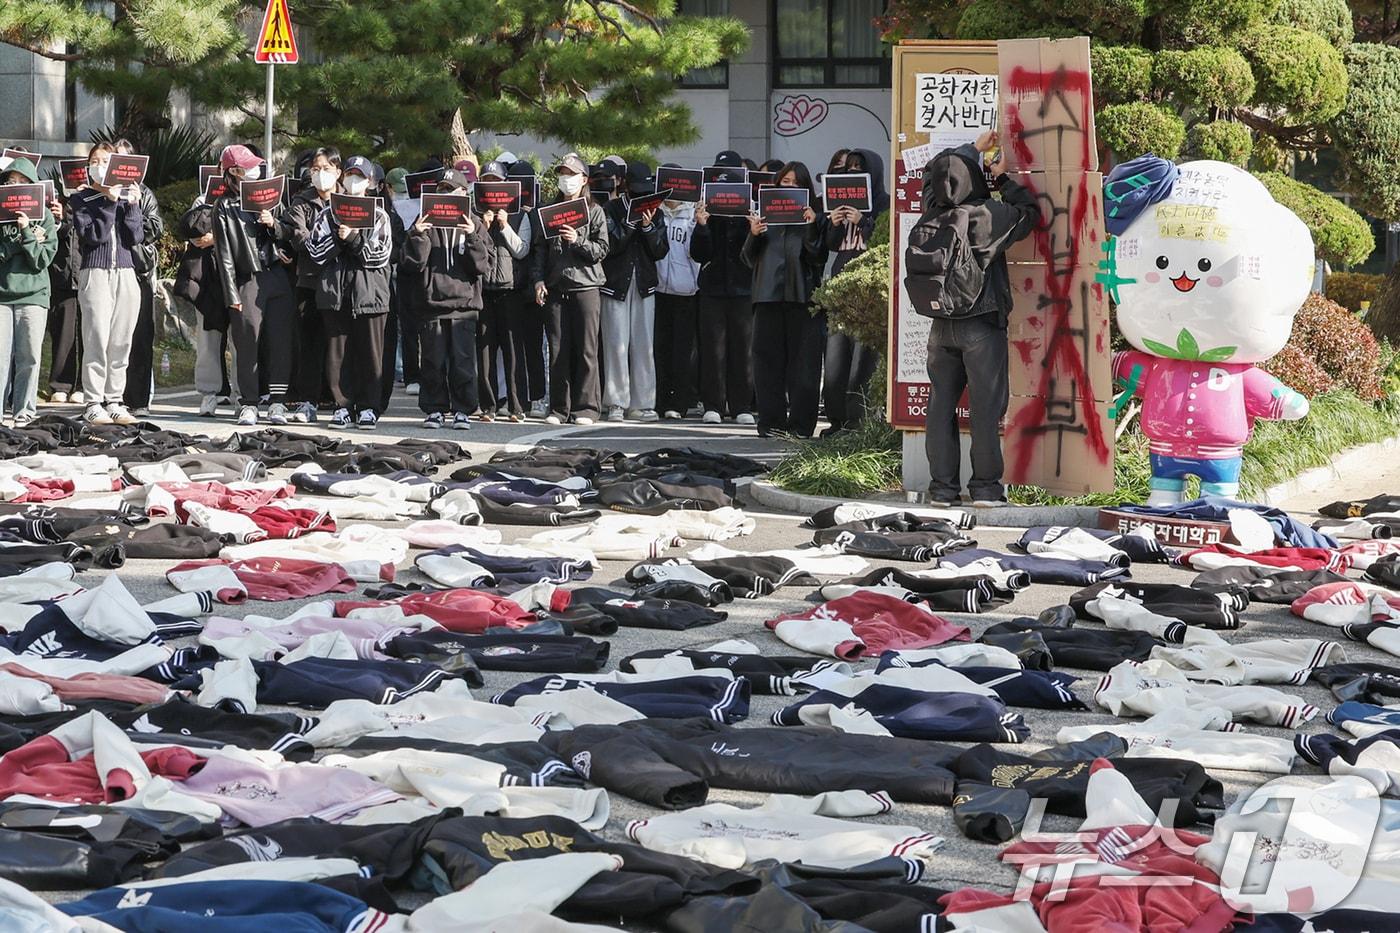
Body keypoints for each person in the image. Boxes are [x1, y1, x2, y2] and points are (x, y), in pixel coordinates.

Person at [908, 130, 1039, 507]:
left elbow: (935, 174)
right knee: (985, 409)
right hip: (980, 323)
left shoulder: (932, 212)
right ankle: (985, 489)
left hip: (940, 326)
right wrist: (999, 178)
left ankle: (942, 490)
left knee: (940, 406)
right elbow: (1030, 214)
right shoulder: (986, 215)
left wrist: (971, 151)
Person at [198, 144, 297, 426]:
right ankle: (249, 402)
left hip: (275, 275)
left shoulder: (270, 198)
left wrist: (273, 223)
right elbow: (225, 255)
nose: (254, 171)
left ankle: (277, 402)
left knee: (280, 341)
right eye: (247, 167)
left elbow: (288, 234)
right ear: (233, 172)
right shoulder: (224, 206)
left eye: (255, 166)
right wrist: (232, 294)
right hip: (246, 279)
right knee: (247, 342)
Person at [306, 155, 393, 429]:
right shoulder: (327, 213)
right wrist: (338, 238)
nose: (354, 181)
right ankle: (342, 406)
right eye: (350, 175)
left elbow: (379, 256)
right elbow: (315, 252)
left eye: (360, 176)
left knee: (370, 354)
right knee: (337, 355)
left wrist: (354, 238)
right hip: (336, 295)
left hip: (370, 296)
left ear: (369, 182)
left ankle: (369, 407)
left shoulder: (379, 215)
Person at [741, 160, 826, 438]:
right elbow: (748, 259)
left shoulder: (814, 216)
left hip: (804, 299)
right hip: (767, 297)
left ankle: (801, 426)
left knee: (804, 365)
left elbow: (818, 258)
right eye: (784, 182)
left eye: (796, 183)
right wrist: (754, 234)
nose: (789, 187)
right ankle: (771, 423)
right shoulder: (765, 216)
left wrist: (812, 227)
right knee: (767, 364)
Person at [402, 167, 490, 430]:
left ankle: (463, 409)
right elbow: (411, 263)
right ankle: (435, 408)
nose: (447, 196)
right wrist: (418, 234)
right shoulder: (424, 220)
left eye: (453, 191)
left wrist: (472, 234)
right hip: (432, 303)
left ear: (465, 194)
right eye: (442, 191)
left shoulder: (475, 223)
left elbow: (482, 265)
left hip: (464, 304)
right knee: (432, 360)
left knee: (463, 361)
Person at [529, 152, 609, 427]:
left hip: (586, 285)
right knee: (557, 349)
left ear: (584, 179)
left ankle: (586, 408)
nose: (566, 179)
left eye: (571, 174)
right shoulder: (547, 211)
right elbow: (539, 249)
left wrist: (577, 241)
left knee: (587, 349)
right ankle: (559, 408)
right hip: (555, 286)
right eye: (562, 174)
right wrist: (538, 280)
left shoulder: (595, 211)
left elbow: (601, 249)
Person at [70, 141, 144, 425]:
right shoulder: (82, 199)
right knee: (97, 337)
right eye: (95, 161)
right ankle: (93, 400)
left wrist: (132, 204)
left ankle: (115, 399)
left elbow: (135, 237)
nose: (99, 166)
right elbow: (94, 236)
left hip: (125, 272)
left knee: (121, 339)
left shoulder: (125, 196)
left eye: (105, 160)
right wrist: (109, 203)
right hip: (96, 272)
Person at [820, 147, 888, 436]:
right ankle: (836, 420)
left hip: (870, 291)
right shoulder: (838, 202)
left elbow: (883, 241)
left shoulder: (884, 202)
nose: (852, 172)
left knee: (863, 360)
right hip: (841, 283)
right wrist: (833, 224)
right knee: (835, 357)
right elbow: (830, 245)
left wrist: (864, 221)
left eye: (859, 167)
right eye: (848, 167)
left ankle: (858, 422)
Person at [690, 149, 755, 426]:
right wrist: (702, 226)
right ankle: (713, 404)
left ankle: (741, 405)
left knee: (742, 349)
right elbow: (699, 254)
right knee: (712, 349)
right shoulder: (707, 210)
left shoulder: (749, 207)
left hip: (743, 288)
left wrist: (752, 229)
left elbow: (754, 254)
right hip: (713, 288)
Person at [600, 161, 668, 422]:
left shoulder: (657, 212)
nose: (641, 195)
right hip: (616, 283)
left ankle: (642, 402)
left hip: (644, 284)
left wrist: (649, 228)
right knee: (616, 343)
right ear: (625, 185)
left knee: (643, 344)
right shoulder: (612, 208)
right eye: (636, 190)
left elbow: (661, 251)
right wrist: (630, 225)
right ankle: (616, 402)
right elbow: (611, 246)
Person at [282, 145, 342, 423]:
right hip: (308, 281)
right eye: (315, 169)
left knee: (338, 345)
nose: (320, 174)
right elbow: (300, 240)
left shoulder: (347, 202)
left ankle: (339, 399)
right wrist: (338, 242)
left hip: (340, 283)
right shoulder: (300, 202)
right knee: (309, 343)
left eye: (326, 169)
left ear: (337, 171)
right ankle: (308, 400)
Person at [0, 156, 58, 426]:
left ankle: (24, 412)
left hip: (34, 296)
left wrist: (26, 233)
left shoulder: (44, 217)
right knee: (1, 359)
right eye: (11, 182)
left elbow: (42, 260)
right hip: (2, 295)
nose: (17, 187)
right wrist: (21, 239)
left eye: (23, 182)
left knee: (30, 356)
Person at [112, 139, 164, 420]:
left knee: (140, 336)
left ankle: (139, 398)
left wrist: (133, 211)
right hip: (108, 268)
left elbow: (155, 228)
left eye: (124, 158)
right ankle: (112, 397)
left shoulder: (143, 193)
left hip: (137, 269)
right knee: (112, 336)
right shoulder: (103, 192)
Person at [478, 159, 532, 423]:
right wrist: (484, 228)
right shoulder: (475, 214)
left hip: (511, 290)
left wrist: (505, 225)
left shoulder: (521, 213)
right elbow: (471, 249)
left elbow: (522, 250)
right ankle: (487, 406)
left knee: (513, 351)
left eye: (496, 182)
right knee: (485, 351)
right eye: (486, 181)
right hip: (483, 290)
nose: (491, 187)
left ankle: (516, 405)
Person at [654, 170, 701, 420]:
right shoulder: (655, 211)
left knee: (683, 351)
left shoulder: (692, 212)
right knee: (660, 349)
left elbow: (697, 251)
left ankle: (679, 402)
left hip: (686, 290)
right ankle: (660, 400)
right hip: (659, 289)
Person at [507, 159, 547, 417]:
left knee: (533, 347)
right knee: (518, 348)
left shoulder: (540, 211)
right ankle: (519, 399)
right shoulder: (504, 209)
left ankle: (538, 396)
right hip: (511, 284)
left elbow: (536, 250)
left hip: (530, 285)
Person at [385, 165, 422, 397]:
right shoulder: (383, 211)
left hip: (415, 274)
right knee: (403, 328)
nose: (401, 194)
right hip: (393, 272)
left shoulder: (418, 208)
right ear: (387, 188)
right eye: (397, 190)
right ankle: (409, 374)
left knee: (418, 326)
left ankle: (420, 373)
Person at [46, 177, 82, 405]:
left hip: (88, 272)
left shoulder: (96, 199)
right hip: (63, 276)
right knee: (62, 333)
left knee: (90, 334)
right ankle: (61, 383)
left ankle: (84, 385)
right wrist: (58, 217)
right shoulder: (56, 201)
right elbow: (55, 235)